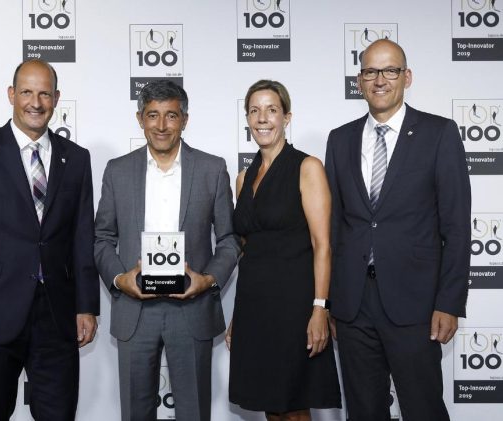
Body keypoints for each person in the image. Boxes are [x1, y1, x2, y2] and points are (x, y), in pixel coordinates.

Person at [0, 59, 99, 420]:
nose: (36, 103)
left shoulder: (76, 158)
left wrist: (86, 305)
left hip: (57, 317)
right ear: (11, 94)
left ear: (56, 98)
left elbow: (81, 238)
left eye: (44, 94)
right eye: (27, 92)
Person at [325, 39, 471, 421]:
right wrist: (331, 301)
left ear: (407, 77)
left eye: (390, 70)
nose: (380, 80)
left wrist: (449, 302)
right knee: (363, 411)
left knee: (423, 409)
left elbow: (456, 227)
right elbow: (336, 226)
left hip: (416, 304)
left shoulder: (439, 133)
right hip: (354, 306)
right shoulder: (339, 140)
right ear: (359, 80)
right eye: (370, 71)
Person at [94, 80, 240, 421]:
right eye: (152, 115)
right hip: (135, 310)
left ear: (184, 120)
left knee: (194, 412)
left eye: (171, 115)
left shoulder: (212, 169)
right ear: (140, 119)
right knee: (135, 413)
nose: (161, 125)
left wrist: (208, 279)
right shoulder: (117, 170)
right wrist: (119, 279)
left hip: (191, 309)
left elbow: (230, 239)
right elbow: (102, 238)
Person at [227, 80, 341, 421]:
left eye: (272, 110)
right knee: (271, 406)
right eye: (254, 111)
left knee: (293, 407)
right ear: (247, 119)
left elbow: (323, 245)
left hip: (295, 305)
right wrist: (237, 316)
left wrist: (320, 308)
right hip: (255, 306)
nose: (262, 118)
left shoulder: (307, 167)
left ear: (286, 117)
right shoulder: (243, 178)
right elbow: (249, 250)